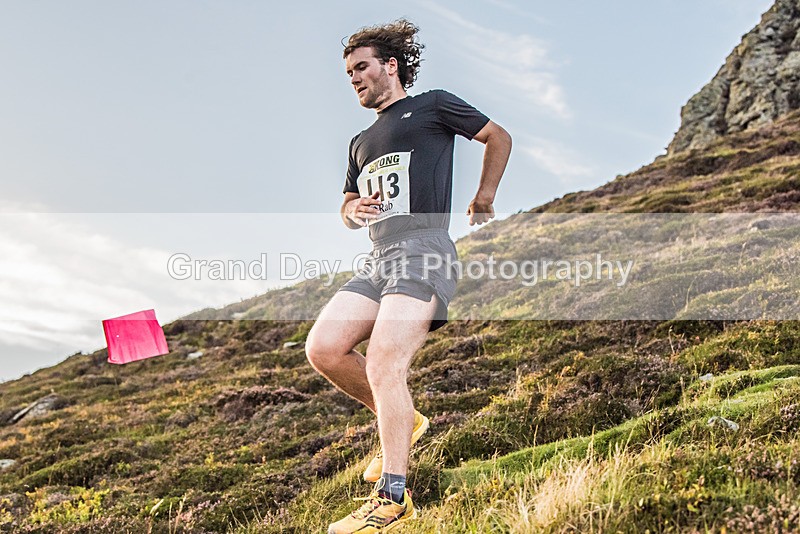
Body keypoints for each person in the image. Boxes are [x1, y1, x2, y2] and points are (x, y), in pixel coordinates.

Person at [305, 18, 511, 533]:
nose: (353, 78)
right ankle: (406, 420)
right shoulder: (358, 142)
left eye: (361, 67)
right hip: (378, 257)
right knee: (324, 348)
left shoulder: (433, 105)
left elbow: (497, 137)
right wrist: (354, 211)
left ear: (390, 66)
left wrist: (484, 196)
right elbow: (347, 206)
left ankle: (393, 499)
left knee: (384, 361)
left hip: (424, 250)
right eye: (348, 72)